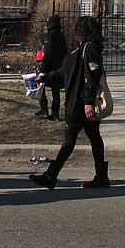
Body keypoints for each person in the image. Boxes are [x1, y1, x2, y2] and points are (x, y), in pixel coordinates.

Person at [29, 16, 108, 190]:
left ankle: (51, 176)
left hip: (80, 104)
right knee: (93, 138)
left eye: (78, 28)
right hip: (76, 101)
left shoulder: (90, 49)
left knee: (70, 140)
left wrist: (88, 102)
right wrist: (44, 77)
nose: (75, 31)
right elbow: (64, 73)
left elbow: (91, 77)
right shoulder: (79, 50)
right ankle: (101, 177)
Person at [36, 15, 66, 121]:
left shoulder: (50, 36)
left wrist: (42, 69)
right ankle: (55, 113)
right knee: (56, 91)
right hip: (59, 68)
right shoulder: (61, 36)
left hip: (50, 69)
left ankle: (44, 109)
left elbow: (48, 54)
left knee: (40, 85)